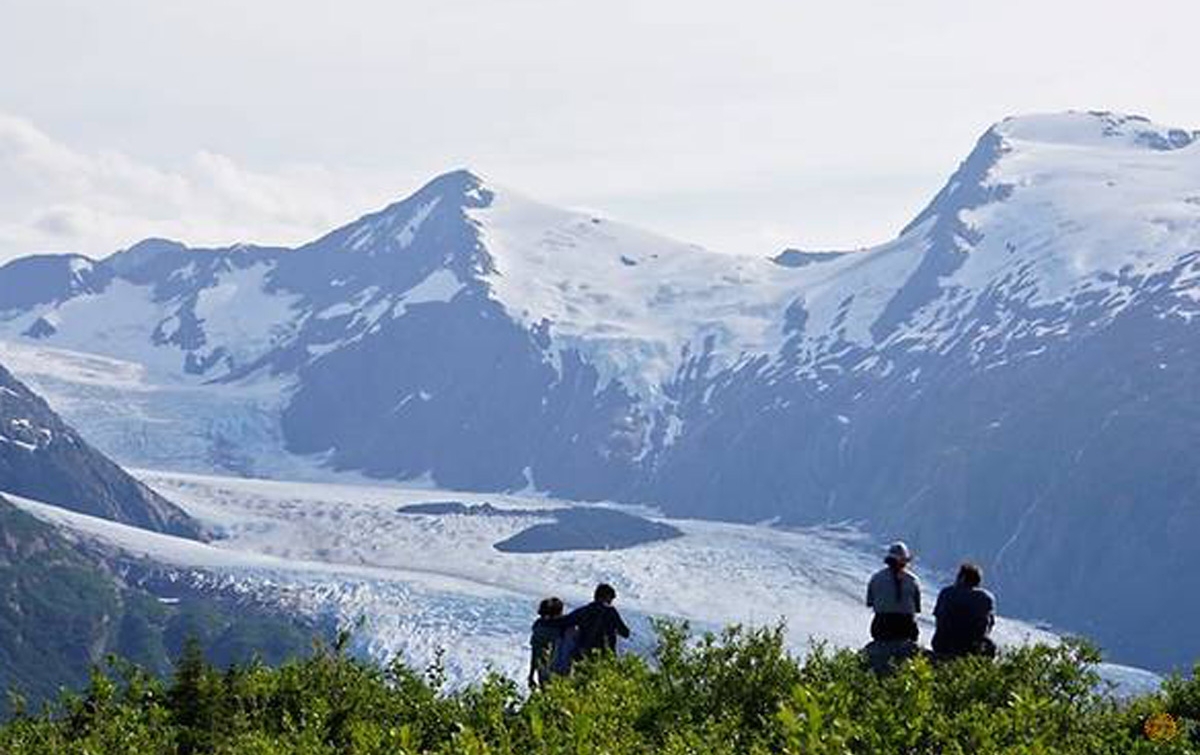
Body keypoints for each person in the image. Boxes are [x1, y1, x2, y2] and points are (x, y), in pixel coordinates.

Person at [544, 583, 631, 661]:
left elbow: (564, 621)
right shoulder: (611, 612)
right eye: (611, 599)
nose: (611, 602)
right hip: (604, 657)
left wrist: (544, 621)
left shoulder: (584, 611)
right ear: (607, 597)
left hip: (585, 655)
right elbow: (625, 633)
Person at [931, 562, 997, 660]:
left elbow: (938, 618)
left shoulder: (947, 593)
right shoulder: (986, 598)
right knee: (991, 646)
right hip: (972, 649)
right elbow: (989, 625)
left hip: (943, 645)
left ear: (962, 578)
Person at [866, 541, 922, 642]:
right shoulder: (913, 580)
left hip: (882, 626)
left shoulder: (876, 578)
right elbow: (917, 608)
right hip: (905, 627)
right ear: (905, 561)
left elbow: (870, 602)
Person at [528, 597, 565, 688]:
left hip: (543, 672)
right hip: (560, 672)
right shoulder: (562, 628)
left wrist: (531, 675)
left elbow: (534, 654)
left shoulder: (538, 626)